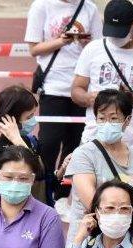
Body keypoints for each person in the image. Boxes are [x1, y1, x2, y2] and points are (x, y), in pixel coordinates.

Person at [71, 0, 133, 189]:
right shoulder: (93, 49)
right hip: (94, 140)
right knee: (89, 205)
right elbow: (76, 91)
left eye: (120, 32)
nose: (115, 38)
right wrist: (94, 98)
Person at [25, 0, 101, 211]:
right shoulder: (42, 6)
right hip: (53, 86)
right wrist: (61, 41)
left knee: (75, 144)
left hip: (82, 86)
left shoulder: (89, 8)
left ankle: (61, 196)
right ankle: (41, 192)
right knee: (48, 143)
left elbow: (99, 45)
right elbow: (34, 49)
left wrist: (85, 41)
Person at [64, 90, 133, 241]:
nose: (107, 124)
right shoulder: (84, 154)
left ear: (127, 120)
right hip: (88, 240)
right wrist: (127, 208)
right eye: (101, 118)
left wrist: (110, 208)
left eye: (114, 119)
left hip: (127, 241)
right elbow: (92, 203)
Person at [0, 84, 46, 203]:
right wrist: (18, 142)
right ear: (12, 119)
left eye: (33, 115)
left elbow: (45, 174)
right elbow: (38, 172)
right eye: (29, 116)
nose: (33, 120)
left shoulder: (29, 140)